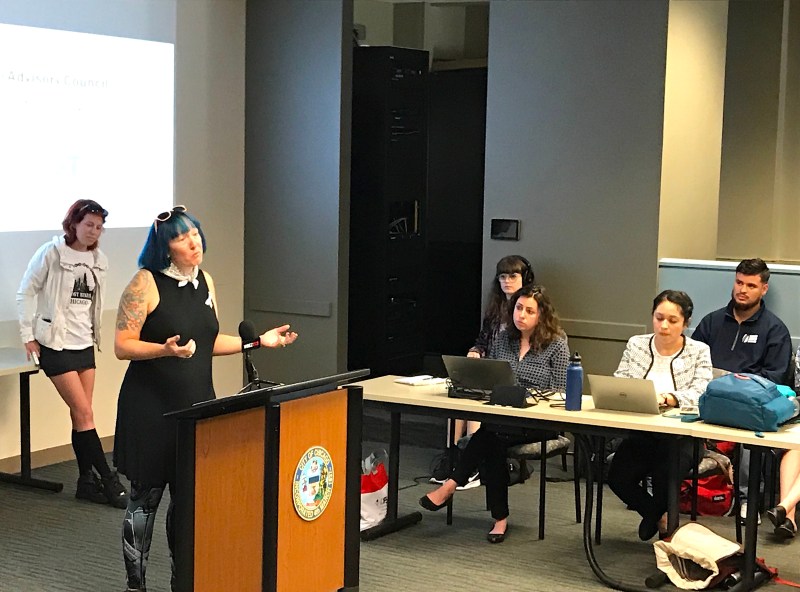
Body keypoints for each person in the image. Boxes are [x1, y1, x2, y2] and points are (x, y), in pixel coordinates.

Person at [112, 205, 298, 592]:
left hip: (196, 407)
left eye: (194, 232)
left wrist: (258, 341)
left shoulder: (205, 282)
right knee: (145, 500)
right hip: (150, 409)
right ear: (165, 247)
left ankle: (184, 580)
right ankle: (136, 585)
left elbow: (209, 341)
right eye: (182, 237)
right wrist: (163, 350)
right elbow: (122, 346)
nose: (193, 241)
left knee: (188, 502)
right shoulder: (145, 283)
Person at [420, 285, 568, 543]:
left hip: (540, 421)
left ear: (541, 316)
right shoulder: (503, 340)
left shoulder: (556, 344)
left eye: (529, 311)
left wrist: (530, 397)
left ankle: (454, 487)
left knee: (490, 436)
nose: (521, 315)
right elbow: (493, 379)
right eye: (518, 308)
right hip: (504, 416)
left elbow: (561, 391)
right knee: (494, 437)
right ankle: (496, 516)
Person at [16, 199, 128, 508]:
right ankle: (109, 480)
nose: (94, 231)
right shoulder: (51, 253)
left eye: (99, 227)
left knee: (81, 415)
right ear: (74, 224)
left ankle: (85, 482)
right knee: (85, 414)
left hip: (84, 344)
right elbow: (26, 290)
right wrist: (28, 336)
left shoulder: (99, 259)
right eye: (89, 224)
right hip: (55, 345)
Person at [691, 258, 792, 522]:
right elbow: (690, 362)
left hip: (750, 406)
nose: (742, 290)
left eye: (750, 285)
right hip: (709, 401)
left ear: (764, 289)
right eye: (738, 282)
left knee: (751, 436)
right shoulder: (712, 322)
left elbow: (775, 379)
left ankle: (748, 500)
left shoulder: (774, 329)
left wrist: (734, 384)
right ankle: (670, 490)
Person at [607, 289, 712, 541]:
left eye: (672, 320)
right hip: (643, 432)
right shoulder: (637, 344)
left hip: (682, 436)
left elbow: (702, 392)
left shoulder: (699, 351)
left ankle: (664, 529)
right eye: (658, 317)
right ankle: (659, 516)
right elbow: (620, 380)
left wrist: (670, 399)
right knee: (617, 477)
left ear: (686, 323)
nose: (663, 326)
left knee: (666, 471)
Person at [436, 255, 533, 489]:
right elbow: (483, 340)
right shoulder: (495, 310)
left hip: (508, 376)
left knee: (477, 400)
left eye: (512, 276)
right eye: (502, 277)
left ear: (525, 278)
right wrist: (476, 350)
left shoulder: (529, 310)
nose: (507, 281)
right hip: (488, 367)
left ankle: (474, 463)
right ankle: (454, 457)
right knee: (459, 397)